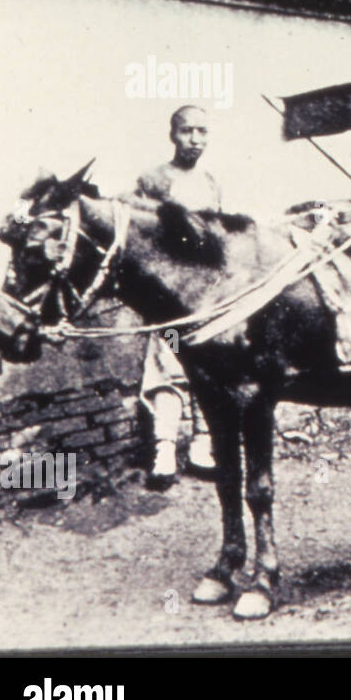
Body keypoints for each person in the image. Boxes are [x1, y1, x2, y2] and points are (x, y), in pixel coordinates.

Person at [136, 105, 221, 489]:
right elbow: (143, 238)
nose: (196, 139)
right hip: (169, 297)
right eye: (188, 131)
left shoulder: (211, 182)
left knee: (207, 366)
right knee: (169, 361)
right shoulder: (153, 180)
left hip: (206, 297)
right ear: (173, 134)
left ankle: (203, 445)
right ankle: (165, 449)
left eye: (203, 132)